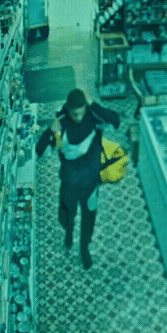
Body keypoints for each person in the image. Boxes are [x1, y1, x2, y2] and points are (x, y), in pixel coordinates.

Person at [36, 88, 120, 269]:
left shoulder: (93, 116)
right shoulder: (62, 124)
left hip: (90, 182)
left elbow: (116, 121)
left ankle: (84, 249)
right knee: (66, 214)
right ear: (68, 109)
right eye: (74, 113)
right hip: (69, 182)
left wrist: (93, 104)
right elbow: (39, 150)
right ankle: (68, 232)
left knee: (89, 217)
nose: (79, 117)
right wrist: (50, 131)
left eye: (81, 112)